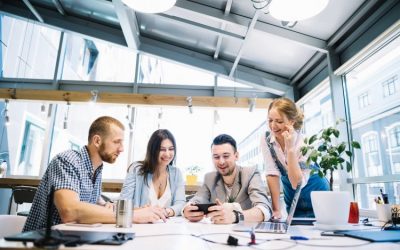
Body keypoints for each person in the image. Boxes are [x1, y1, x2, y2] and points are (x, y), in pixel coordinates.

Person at [23, 116, 125, 231]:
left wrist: (106, 204)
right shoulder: (67, 160)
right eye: (117, 142)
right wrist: (127, 216)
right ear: (97, 141)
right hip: (42, 242)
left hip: (72, 238)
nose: (122, 149)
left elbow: (94, 200)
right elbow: (69, 212)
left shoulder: (97, 168)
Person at [261, 97, 329, 219]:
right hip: (293, 199)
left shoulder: (304, 144)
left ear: (291, 122)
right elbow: (272, 173)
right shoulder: (266, 139)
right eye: (270, 120)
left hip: (318, 194)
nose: (273, 126)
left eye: (279, 121)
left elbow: (296, 183)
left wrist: (290, 149)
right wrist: (276, 210)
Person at [183, 134, 272, 224]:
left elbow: (265, 209)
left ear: (236, 156)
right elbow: (198, 198)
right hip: (217, 233)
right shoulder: (210, 178)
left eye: (226, 156)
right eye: (216, 157)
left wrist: (236, 216)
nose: (221, 162)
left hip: (245, 233)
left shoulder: (250, 173)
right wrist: (187, 210)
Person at [120, 129, 185, 221]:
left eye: (171, 149)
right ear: (153, 150)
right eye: (162, 149)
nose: (167, 154)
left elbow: (181, 203)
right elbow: (123, 204)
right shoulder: (136, 170)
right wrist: (142, 211)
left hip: (166, 228)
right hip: (140, 226)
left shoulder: (176, 173)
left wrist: (165, 212)